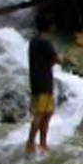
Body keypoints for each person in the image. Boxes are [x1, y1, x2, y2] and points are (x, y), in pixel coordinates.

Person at [26, 13, 59, 153]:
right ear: (49, 27)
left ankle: (43, 143)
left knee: (47, 112)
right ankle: (31, 143)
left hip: (36, 80)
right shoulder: (46, 41)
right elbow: (56, 59)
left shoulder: (33, 40)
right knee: (41, 113)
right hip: (44, 82)